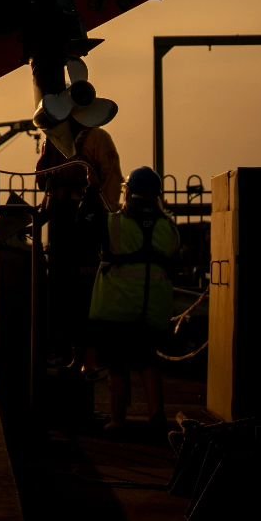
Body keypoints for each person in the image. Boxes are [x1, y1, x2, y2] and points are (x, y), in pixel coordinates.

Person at [87, 166, 180, 433]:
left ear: (128, 192)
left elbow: (90, 229)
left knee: (117, 367)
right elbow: (174, 262)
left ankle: (117, 420)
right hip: (153, 309)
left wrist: (93, 189)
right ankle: (156, 415)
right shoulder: (169, 228)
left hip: (116, 309)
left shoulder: (114, 223)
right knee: (148, 362)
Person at [35, 121, 122, 363]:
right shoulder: (54, 138)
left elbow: (110, 184)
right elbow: (44, 180)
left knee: (86, 293)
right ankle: (68, 350)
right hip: (64, 224)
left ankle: (84, 353)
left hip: (86, 227)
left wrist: (103, 219)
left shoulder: (95, 138)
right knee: (63, 290)